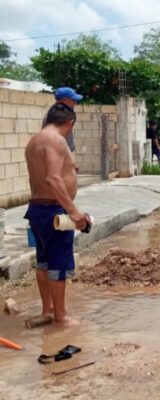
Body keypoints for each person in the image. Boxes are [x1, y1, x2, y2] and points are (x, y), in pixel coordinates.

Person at [24, 103, 92, 327]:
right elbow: (53, 178)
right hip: (54, 210)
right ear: (70, 123)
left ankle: (48, 310)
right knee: (58, 264)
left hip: (37, 209)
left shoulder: (35, 141)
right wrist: (73, 210)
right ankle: (61, 318)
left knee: (43, 262)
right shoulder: (56, 140)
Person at [42, 87, 83, 153]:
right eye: (73, 99)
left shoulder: (63, 112)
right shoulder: (53, 115)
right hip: (60, 154)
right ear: (64, 100)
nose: (75, 102)